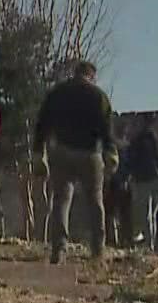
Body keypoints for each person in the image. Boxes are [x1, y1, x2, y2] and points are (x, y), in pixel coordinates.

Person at [34, 60, 118, 265]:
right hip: (90, 154)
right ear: (92, 75)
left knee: (61, 200)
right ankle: (98, 250)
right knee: (95, 202)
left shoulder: (57, 93)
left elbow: (42, 123)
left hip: (62, 151)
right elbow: (107, 129)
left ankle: (59, 250)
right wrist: (111, 152)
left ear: (75, 73)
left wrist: (38, 151)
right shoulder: (99, 97)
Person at [121, 119, 158, 251]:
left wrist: (125, 178)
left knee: (143, 215)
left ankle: (146, 245)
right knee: (151, 215)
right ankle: (149, 243)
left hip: (144, 180)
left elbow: (129, 163)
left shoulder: (136, 143)